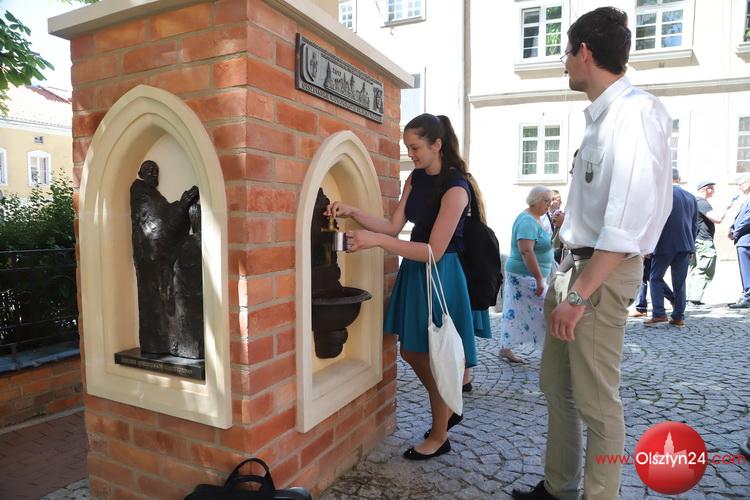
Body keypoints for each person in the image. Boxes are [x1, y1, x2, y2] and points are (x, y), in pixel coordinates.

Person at [512, 7, 673, 500]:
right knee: (556, 388)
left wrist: (579, 295)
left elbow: (626, 226)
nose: (563, 63)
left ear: (584, 52)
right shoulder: (603, 117)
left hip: (598, 275)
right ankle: (559, 487)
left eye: (565, 52)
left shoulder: (634, 113)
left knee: (598, 403)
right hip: (574, 267)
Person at [326, 113, 490, 460]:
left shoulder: (456, 188)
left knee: (432, 353)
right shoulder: (415, 179)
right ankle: (447, 404)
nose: (410, 154)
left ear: (437, 144)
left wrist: (376, 242)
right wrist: (352, 211)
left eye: (415, 148)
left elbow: (433, 251)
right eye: (408, 147)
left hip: (441, 275)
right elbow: (391, 226)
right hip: (416, 272)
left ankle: (440, 433)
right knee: (412, 352)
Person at [499, 186, 555, 364]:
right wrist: (539, 279)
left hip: (527, 274)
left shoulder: (536, 218)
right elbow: (526, 251)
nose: (549, 205)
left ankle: (506, 347)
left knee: (515, 310)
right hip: (524, 275)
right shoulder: (527, 221)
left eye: (550, 201)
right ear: (535, 200)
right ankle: (553, 349)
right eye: (546, 201)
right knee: (549, 308)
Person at [644, 169, 697, 328]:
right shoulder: (691, 197)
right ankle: (679, 317)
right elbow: (694, 225)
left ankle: (659, 314)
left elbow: (653, 221)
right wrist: (692, 247)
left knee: (655, 278)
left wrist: (648, 245)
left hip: (664, 243)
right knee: (680, 282)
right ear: (678, 179)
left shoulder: (661, 194)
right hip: (685, 245)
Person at [686, 180, 734, 305]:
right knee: (705, 268)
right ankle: (694, 298)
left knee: (694, 269)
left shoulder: (693, 201)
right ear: (706, 189)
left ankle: (688, 297)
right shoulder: (702, 203)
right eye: (712, 188)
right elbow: (717, 218)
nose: (714, 191)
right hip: (704, 241)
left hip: (695, 240)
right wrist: (725, 207)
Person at [728, 174, 750, 308]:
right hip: (744, 239)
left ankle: (747, 297)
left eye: (741, 184)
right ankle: (745, 296)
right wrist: (732, 228)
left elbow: (747, 219)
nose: (739, 187)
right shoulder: (745, 199)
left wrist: (735, 232)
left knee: (746, 269)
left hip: (746, 240)